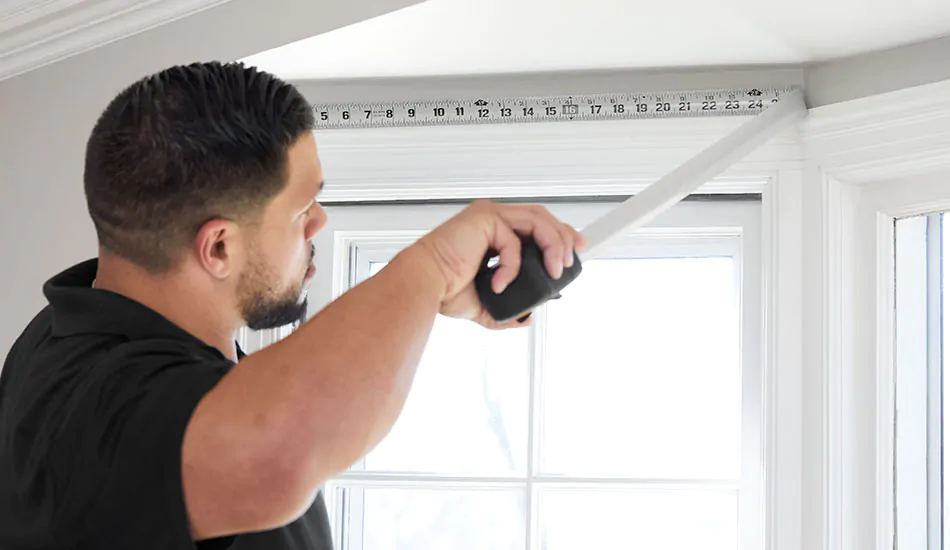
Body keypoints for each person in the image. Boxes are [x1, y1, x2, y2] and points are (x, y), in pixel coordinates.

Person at [0, 61, 585, 549]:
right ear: (219, 246)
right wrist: (430, 268)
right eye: (303, 209)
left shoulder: (63, 330)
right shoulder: (97, 400)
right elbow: (277, 453)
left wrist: (420, 300)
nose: (320, 223)